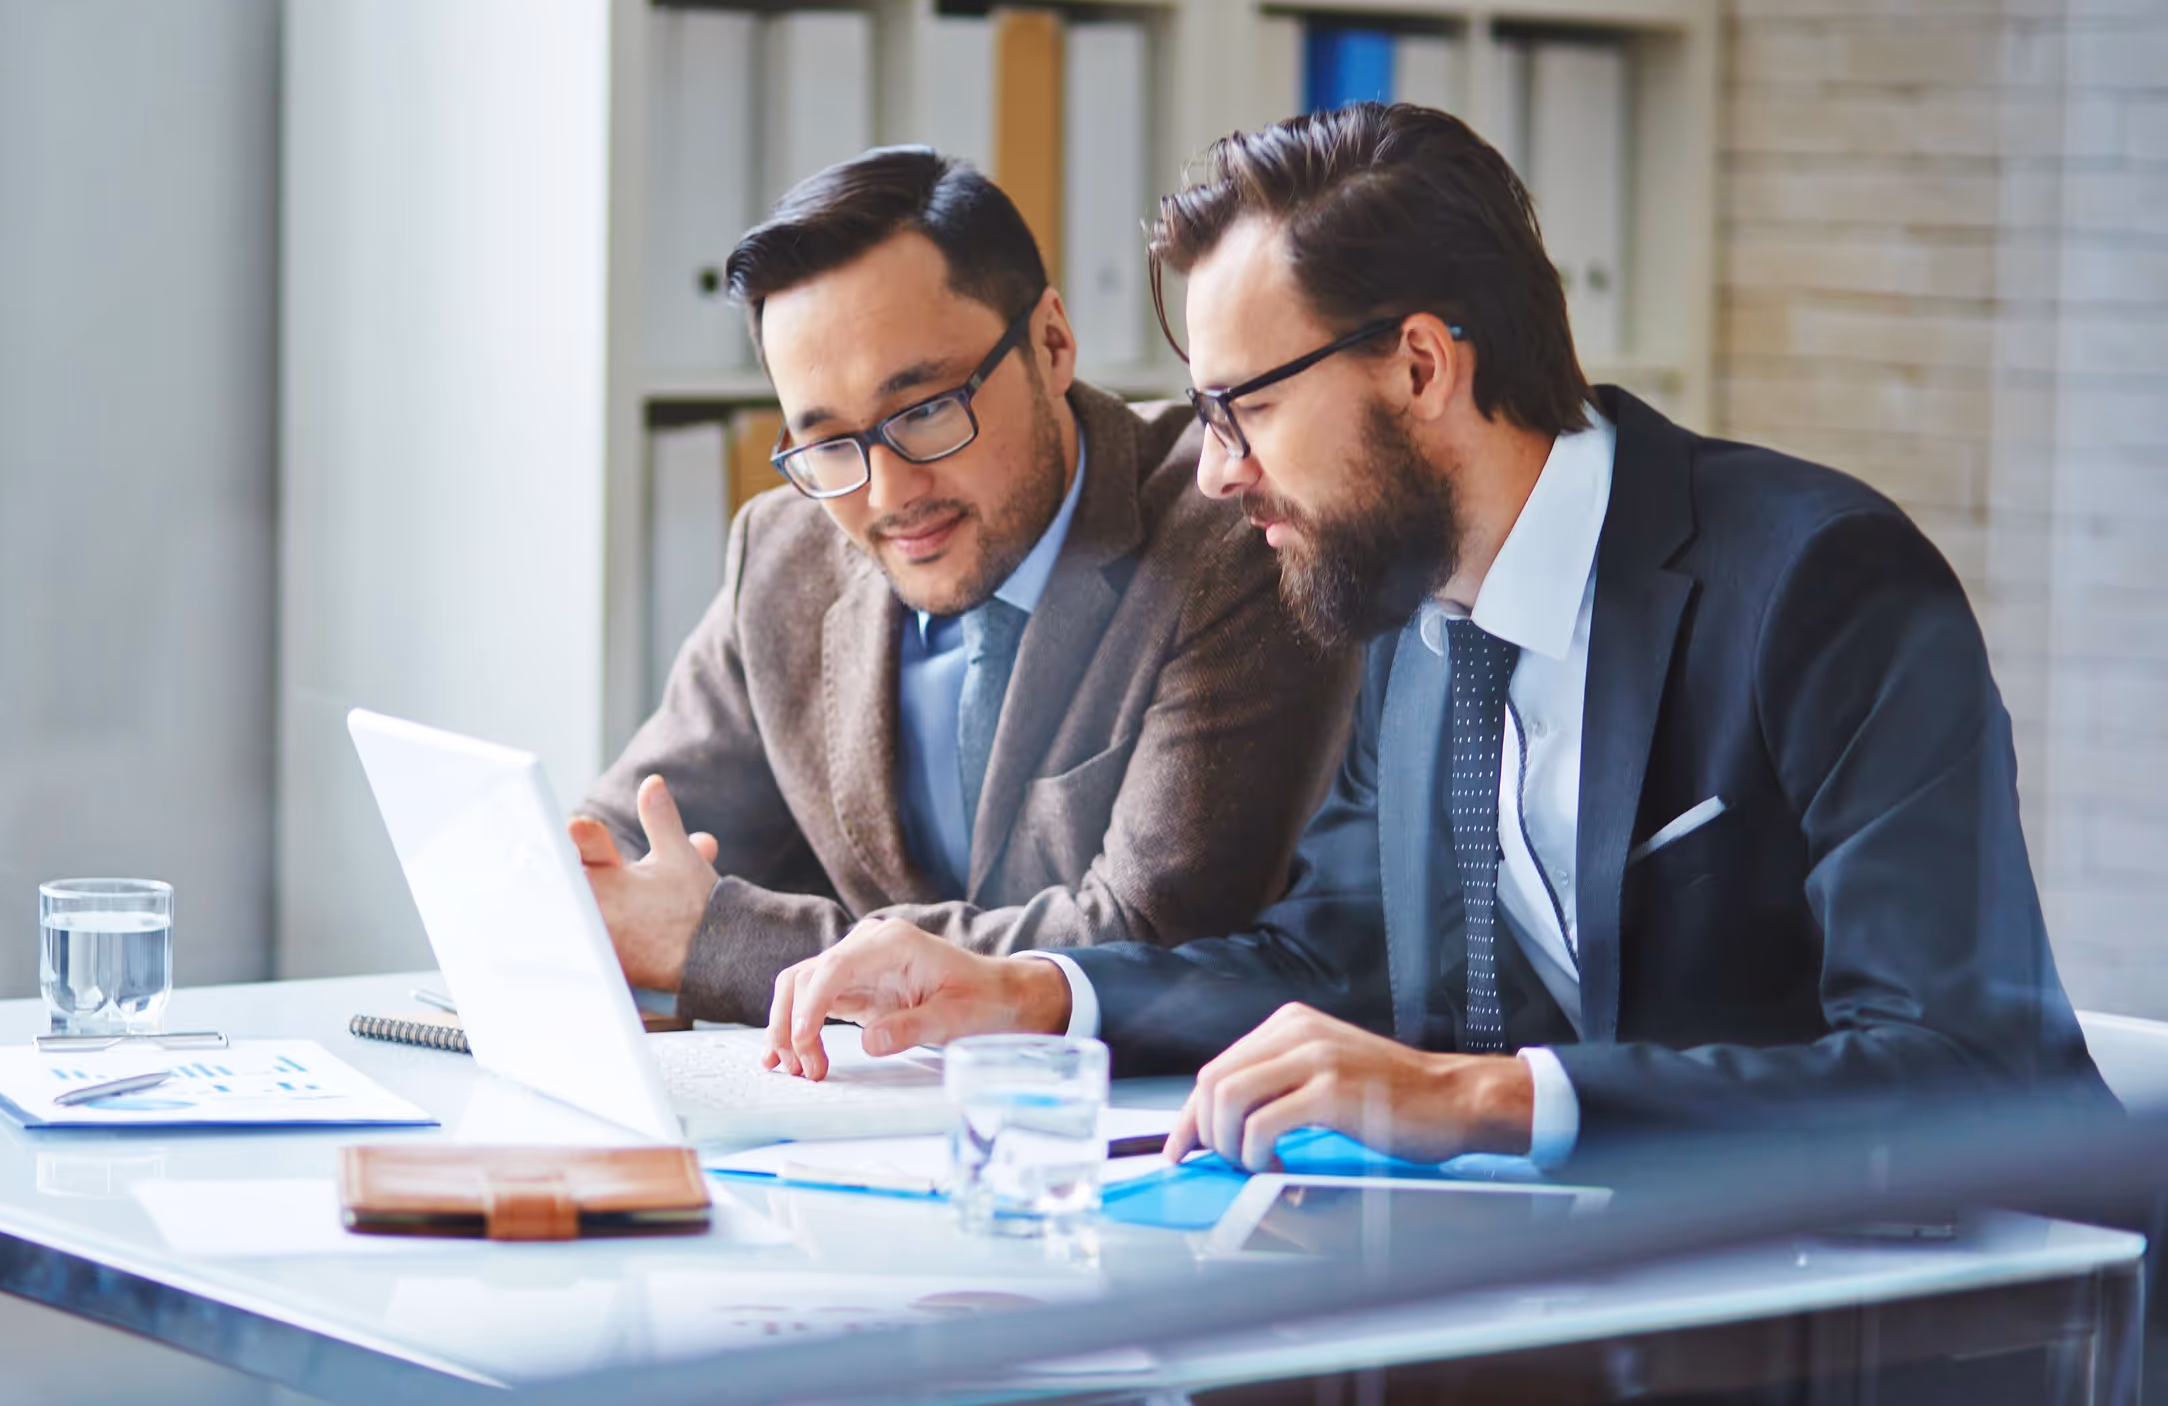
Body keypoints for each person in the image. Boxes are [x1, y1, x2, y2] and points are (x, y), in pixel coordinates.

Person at [761, 106, 2112, 1169]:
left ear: (1421, 367)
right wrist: (1030, 994)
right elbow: (1324, 952)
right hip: (1635, 1303)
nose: (1219, 472)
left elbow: (1957, 1065)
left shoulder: (1821, 584)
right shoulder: (1413, 620)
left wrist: (1485, 1096)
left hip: (1977, 1338)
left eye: (1245, 411)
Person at [570, 146, 1359, 1025]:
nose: (888, 494)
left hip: (1130, 1123)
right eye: (829, 442)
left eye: (927, 412)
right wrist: (571, 888)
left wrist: (720, 943)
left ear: (1053, 344)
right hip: (857, 1129)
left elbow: (1147, 936)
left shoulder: (1231, 532)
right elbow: (620, 850)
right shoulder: (784, 553)